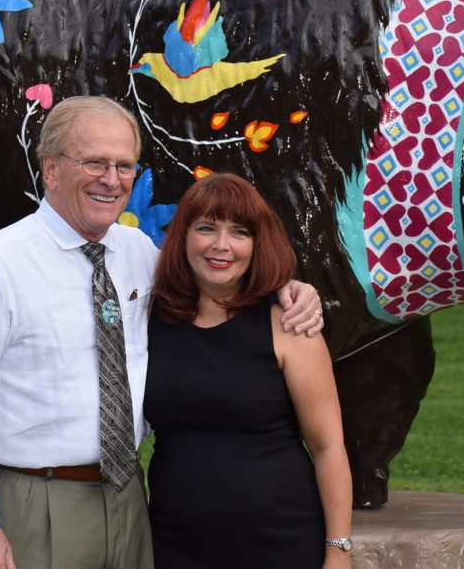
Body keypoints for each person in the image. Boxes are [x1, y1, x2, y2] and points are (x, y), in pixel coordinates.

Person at [0, 96, 324, 569]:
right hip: (38, 498)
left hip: (129, 495)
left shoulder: (137, 251)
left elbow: (217, 272)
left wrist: (287, 286)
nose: (111, 180)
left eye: (124, 166)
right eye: (94, 162)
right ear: (50, 169)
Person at [144, 172, 353, 569]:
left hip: (279, 542)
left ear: (257, 245)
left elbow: (328, 448)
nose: (221, 245)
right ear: (183, 236)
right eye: (206, 228)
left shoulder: (289, 326)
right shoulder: (152, 318)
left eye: (239, 232)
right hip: (173, 542)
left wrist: (337, 551)